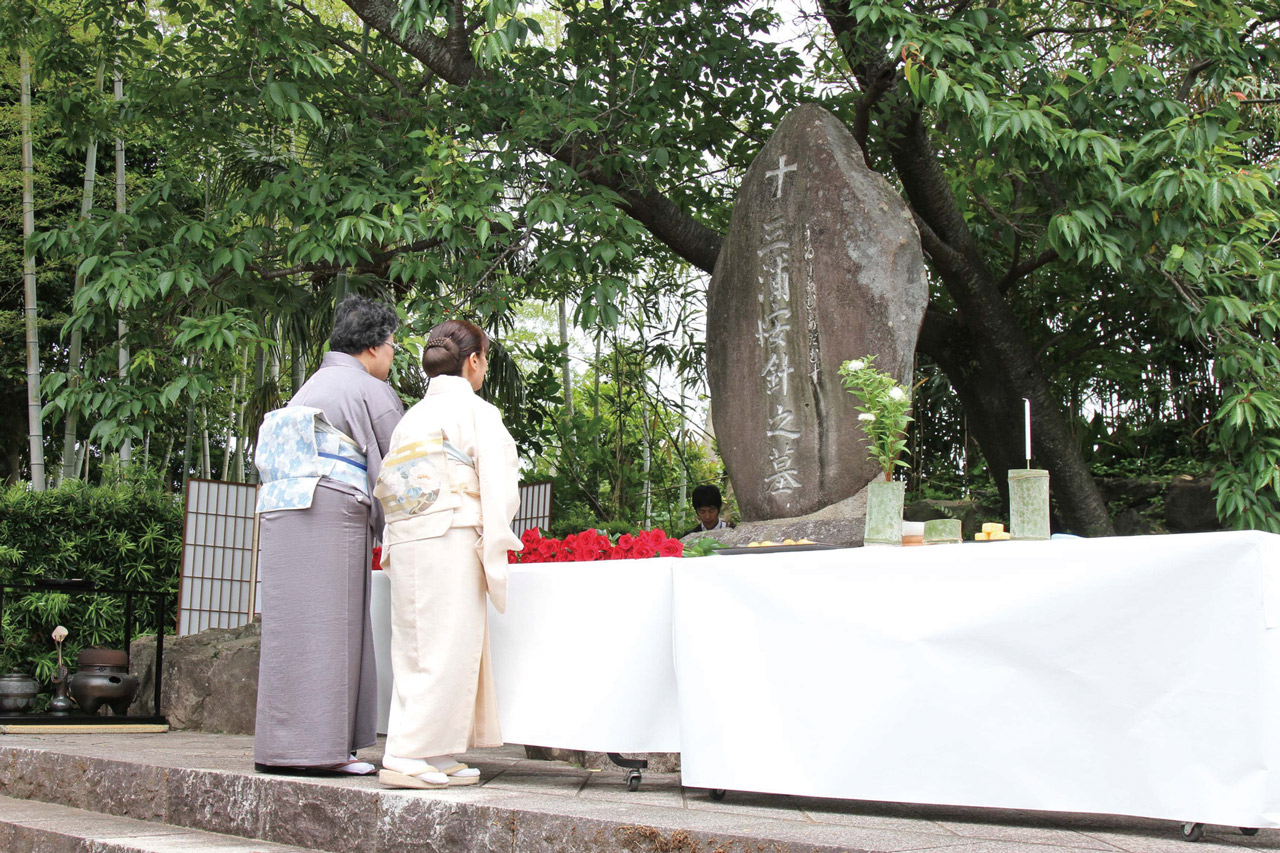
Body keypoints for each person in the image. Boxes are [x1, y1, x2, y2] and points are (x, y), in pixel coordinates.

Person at [252, 295, 404, 776]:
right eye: (394, 343)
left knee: (290, 628)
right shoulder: (368, 389)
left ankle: (282, 747)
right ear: (375, 347)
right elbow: (400, 472)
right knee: (333, 625)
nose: (394, 352)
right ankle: (323, 751)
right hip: (331, 510)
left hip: (283, 512)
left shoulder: (313, 385)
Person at [374, 319, 522, 789]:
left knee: (424, 645)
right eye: (485, 359)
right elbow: (500, 488)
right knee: (443, 645)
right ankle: (404, 754)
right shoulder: (478, 413)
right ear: (473, 360)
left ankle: (433, 750)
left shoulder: (411, 417)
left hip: (411, 535)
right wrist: (498, 540)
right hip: (453, 533)